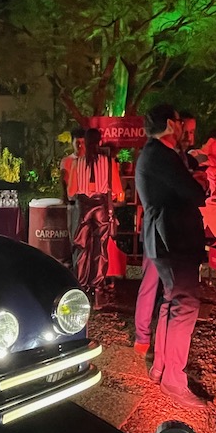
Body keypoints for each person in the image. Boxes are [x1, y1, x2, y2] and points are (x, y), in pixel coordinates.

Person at [135, 103, 210, 407]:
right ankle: (174, 380)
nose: (181, 128)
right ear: (170, 123)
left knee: (171, 300)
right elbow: (194, 193)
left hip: (163, 238)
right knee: (186, 303)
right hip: (173, 238)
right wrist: (200, 182)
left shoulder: (151, 154)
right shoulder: (162, 155)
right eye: (179, 122)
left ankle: (161, 367)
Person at [64, 126, 119, 309]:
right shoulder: (109, 162)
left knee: (81, 247)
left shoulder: (76, 163)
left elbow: (71, 192)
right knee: (100, 248)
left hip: (83, 207)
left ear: (85, 143)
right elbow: (116, 190)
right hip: (101, 206)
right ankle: (97, 290)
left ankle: (80, 286)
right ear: (100, 142)